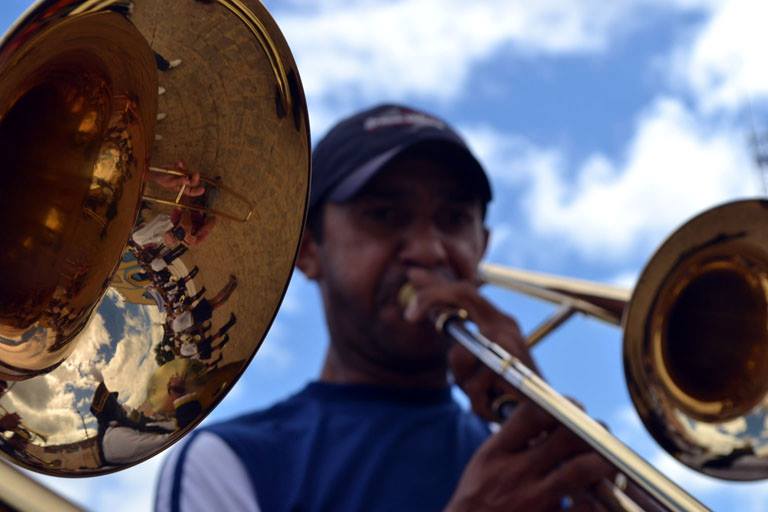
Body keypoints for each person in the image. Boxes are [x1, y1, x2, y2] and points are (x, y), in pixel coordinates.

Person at [155, 104, 616, 511]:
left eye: (454, 220)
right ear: (309, 250)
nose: (430, 251)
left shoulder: (529, 471)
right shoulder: (229, 460)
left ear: (483, 246)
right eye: (385, 215)